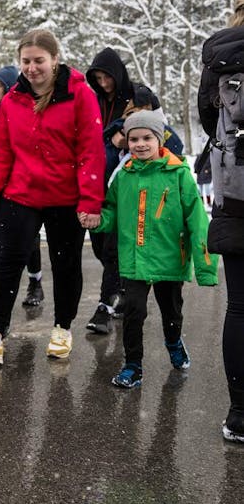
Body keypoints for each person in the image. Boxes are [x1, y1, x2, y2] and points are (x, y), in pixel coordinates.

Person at [0, 29, 105, 365]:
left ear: (55, 59)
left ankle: (62, 329)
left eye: (39, 60)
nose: (31, 68)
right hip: (21, 194)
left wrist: (90, 201)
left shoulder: (80, 95)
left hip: (65, 197)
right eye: (25, 61)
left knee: (65, 264)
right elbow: (1, 153)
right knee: (7, 261)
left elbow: (90, 151)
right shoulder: (13, 100)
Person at [93, 110, 217, 388]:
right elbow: (111, 211)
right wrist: (99, 220)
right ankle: (133, 366)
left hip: (169, 258)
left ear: (159, 139)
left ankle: (173, 342)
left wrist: (205, 267)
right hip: (134, 259)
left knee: (171, 311)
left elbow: (197, 220)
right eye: (134, 139)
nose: (140, 144)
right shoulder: (124, 175)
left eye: (147, 138)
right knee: (133, 313)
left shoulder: (178, 173)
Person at [86, 82, 185, 334]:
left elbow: (175, 151)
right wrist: (115, 142)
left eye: (143, 110)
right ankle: (119, 298)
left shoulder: (162, 133)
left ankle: (107, 307)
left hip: (151, 213)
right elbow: (100, 157)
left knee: (121, 260)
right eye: (131, 111)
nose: (137, 117)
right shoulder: (116, 132)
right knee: (107, 254)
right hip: (118, 204)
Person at [198, 0, 244, 443]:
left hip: (236, 195)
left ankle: (240, 414)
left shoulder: (220, 56)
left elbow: (208, 120)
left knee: (240, 307)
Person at [0, 66, 44, 309]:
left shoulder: (22, 113)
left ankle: (35, 282)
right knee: (0, 243)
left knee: (29, 240)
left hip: (20, 186)